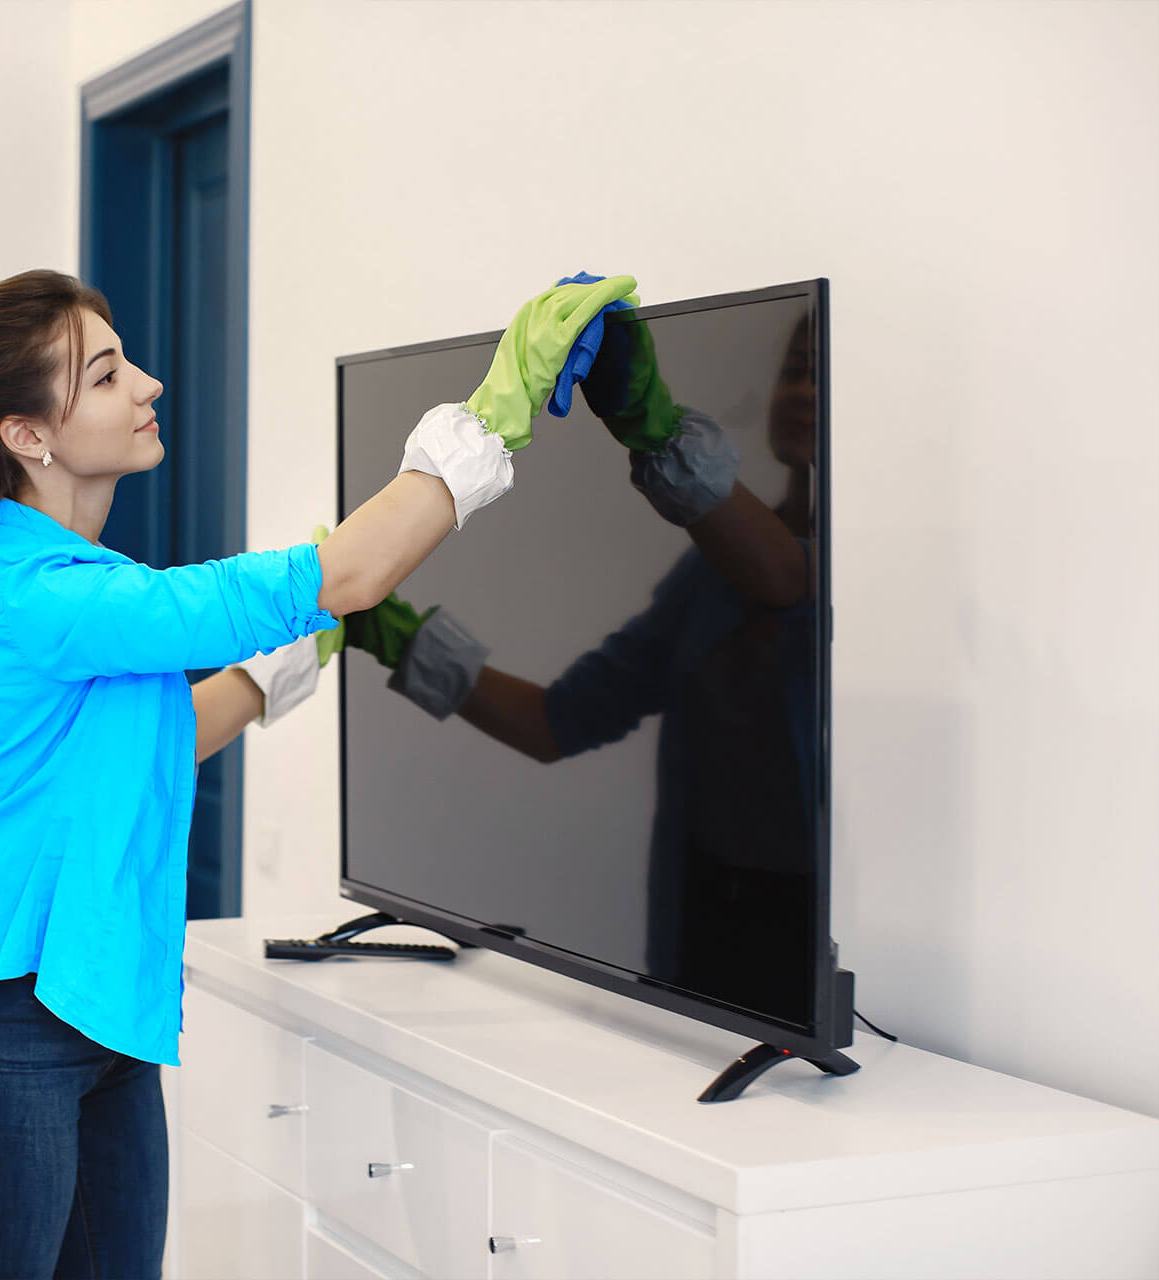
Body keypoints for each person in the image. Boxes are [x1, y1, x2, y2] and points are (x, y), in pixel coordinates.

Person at [0, 266, 636, 1277]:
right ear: (29, 434)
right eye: (105, 377)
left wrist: (298, 654)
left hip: (101, 1017)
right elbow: (346, 570)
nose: (146, 383)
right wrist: (494, 411)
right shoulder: (35, 591)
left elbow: (148, 744)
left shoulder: (92, 589)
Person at [347, 312, 820, 1021]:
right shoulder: (705, 580)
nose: (803, 391)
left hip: (802, 940)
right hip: (696, 925)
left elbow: (786, 578)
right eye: (792, 370)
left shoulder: (846, 571)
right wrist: (391, 632)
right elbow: (556, 721)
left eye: (819, 371)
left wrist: (655, 430)